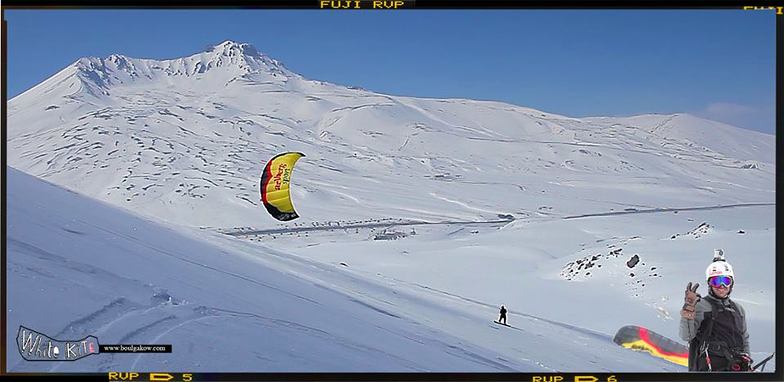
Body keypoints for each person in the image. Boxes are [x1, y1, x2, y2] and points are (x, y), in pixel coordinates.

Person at [680, 249, 752, 371]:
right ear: (710, 284)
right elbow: (687, 335)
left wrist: (747, 361)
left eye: (725, 281)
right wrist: (689, 308)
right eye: (716, 282)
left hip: (736, 368)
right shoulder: (701, 305)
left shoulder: (738, 309)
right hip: (710, 368)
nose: (721, 287)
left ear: (731, 284)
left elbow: (744, 339)